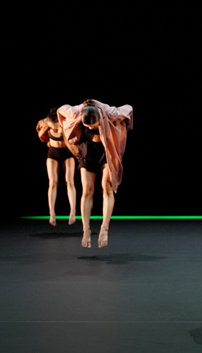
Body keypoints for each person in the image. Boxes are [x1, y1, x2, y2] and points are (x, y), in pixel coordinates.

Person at [57, 99, 133, 248]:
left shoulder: (109, 112)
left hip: (106, 150)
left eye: (94, 125)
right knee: (87, 190)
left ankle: (104, 228)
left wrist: (125, 125)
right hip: (87, 150)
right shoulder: (78, 111)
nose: (91, 127)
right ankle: (86, 230)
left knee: (107, 187)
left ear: (100, 117)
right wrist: (76, 120)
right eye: (88, 126)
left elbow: (128, 109)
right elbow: (62, 110)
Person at [37, 108, 77, 226]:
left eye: (56, 126)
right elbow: (40, 134)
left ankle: (73, 211)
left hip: (67, 152)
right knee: (53, 182)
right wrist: (45, 134)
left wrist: (63, 131)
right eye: (52, 126)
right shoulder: (44, 122)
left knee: (69, 181)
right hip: (53, 153)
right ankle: (52, 213)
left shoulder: (65, 123)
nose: (54, 128)